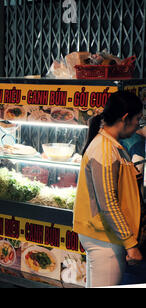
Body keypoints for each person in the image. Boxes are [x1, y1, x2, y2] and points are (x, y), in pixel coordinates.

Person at [73, 91, 144, 287]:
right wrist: (131, 245)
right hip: (104, 238)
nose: (138, 124)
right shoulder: (104, 150)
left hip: (107, 236)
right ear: (124, 118)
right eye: (137, 119)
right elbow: (108, 204)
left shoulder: (111, 145)